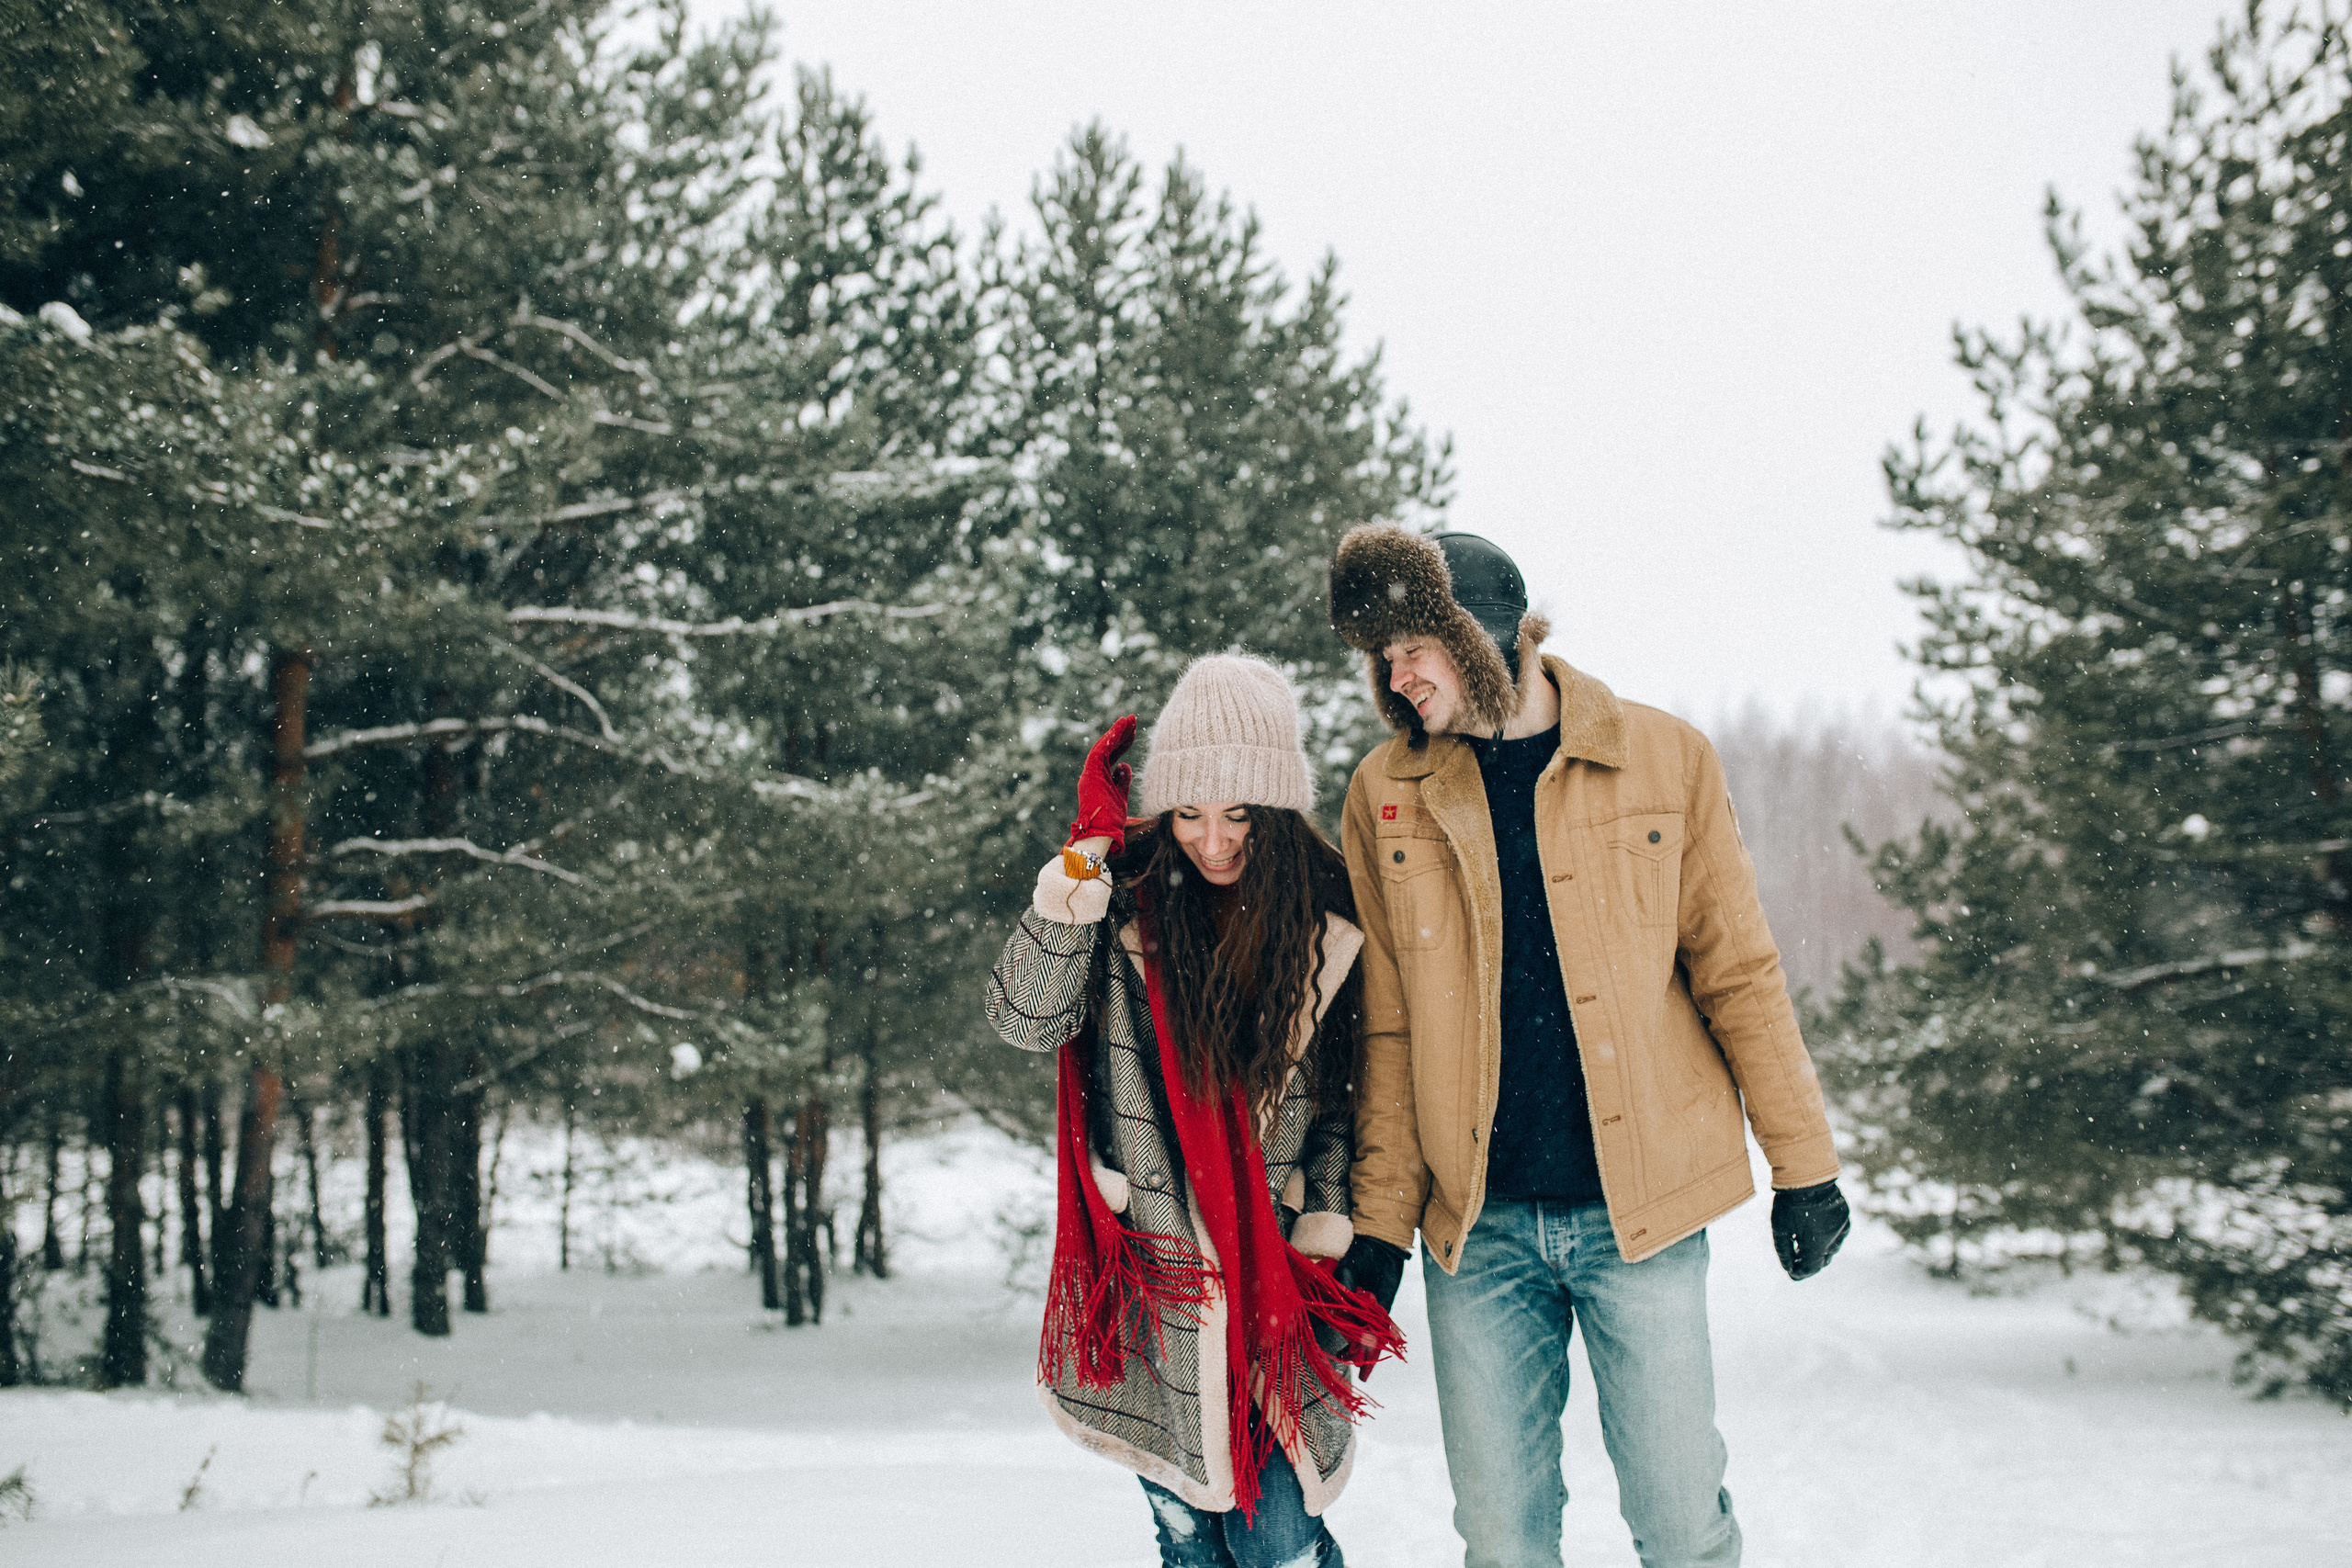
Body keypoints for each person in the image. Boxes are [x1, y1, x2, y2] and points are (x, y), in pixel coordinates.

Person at [1321, 523, 1853, 1568]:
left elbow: (1737, 972)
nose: (1395, 676)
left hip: (1642, 1217)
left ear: (1481, 636)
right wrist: (1380, 1228)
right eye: (1381, 657)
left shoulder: (1662, 759)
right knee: (1504, 1541)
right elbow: (1384, 1028)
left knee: (1679, 1524)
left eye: (1412, 649)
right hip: (1478, 1231)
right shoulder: (1386, 792)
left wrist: (1807, 1168)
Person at [986, 653, 1405, 1568]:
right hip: (1156, 1269)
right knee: (1187, 1540)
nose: (1212, 842)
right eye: (1189, 814)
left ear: (1277, 814)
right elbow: (1025, 1018)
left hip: (1278, 1268)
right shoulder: (1115, 901)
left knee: (1278, 1540)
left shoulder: (1326, 919)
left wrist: (1329, 1220)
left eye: (1238, 817)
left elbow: (1343, 1103)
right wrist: (1080, 860)